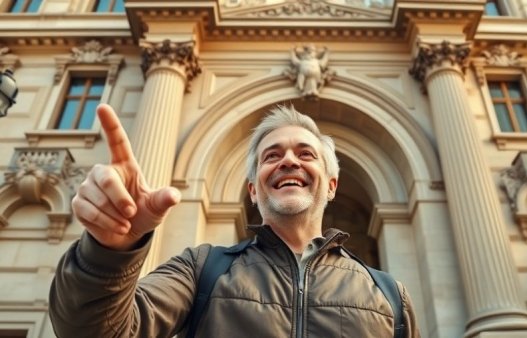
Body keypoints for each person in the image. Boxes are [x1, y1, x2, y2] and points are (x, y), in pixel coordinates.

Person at [49, 104, 420, 337]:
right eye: (271, 156)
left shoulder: (390, 295)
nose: (289, 161)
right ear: (254, 190)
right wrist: (108, 252)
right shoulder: (200, 269)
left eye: (305, 153)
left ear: (332, 184)